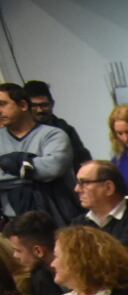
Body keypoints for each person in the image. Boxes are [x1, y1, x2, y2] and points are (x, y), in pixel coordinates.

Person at [0, 83, 74, 224]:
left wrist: (7, 165)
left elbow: (52, 168)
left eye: (2, 104)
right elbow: (41, 171)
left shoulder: (53, 135)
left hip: (55, 218)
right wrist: (30, 171)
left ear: (23, 105)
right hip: (13, 223)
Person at [71, 160, 128, 250]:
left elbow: (117, 256)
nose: (77, 189)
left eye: (84, 183)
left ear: (109, 188)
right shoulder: (78, 223)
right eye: (77, 183)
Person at [22, 80, 92, 167]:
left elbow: (84, 161)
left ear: (52, 104)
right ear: (25, 106)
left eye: (44, 105)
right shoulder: (20, 132)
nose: (40, 110)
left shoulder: (66, 130)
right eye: (34, 106)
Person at [6, 211, 58, 295]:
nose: (15, 256)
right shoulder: (38, 275)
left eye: (18, 250)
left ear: (38, 251)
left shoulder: (43, 279)